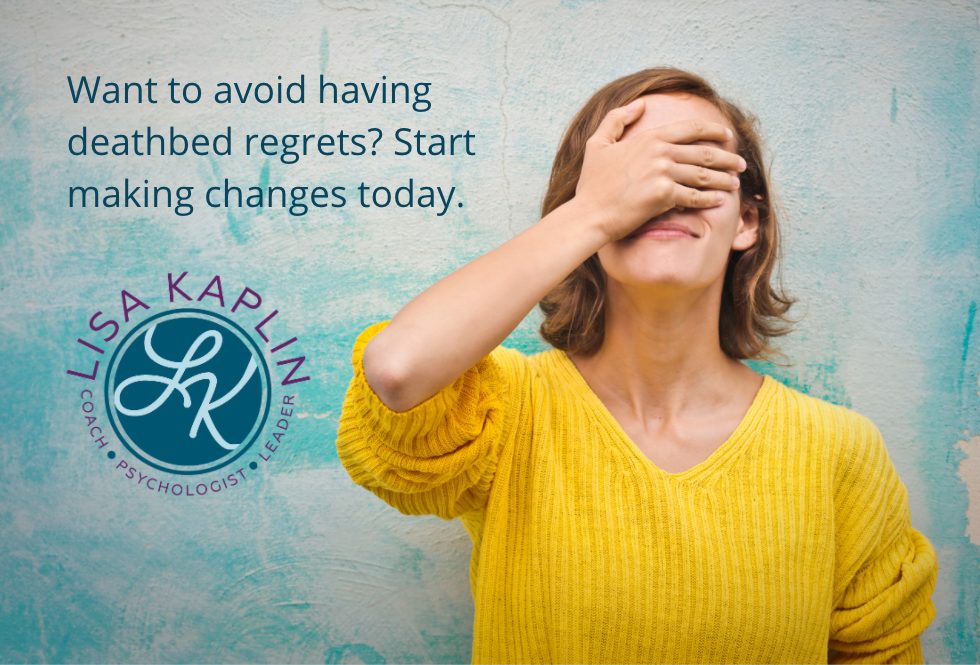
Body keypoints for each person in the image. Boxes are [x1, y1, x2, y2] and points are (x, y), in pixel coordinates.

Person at [336, 67, 939, 664]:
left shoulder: (837, 451)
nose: (664, 189)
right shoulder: (507, 411)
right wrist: (595, 212)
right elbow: (397, 371)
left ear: (747, 221)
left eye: (698, 163)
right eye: (633, 167)